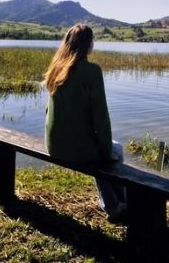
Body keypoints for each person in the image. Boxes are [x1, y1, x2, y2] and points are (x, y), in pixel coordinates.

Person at [44, 23, 127, 222]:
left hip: (53, 146)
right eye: (92, 40)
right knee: (116, 151)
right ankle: (117, 205)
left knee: (101, 152)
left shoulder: (57, 69)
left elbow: (49, 110)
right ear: (88, 44)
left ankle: (112, 202)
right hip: (77, 151)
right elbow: (101, 119)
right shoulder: (92, 71)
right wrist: (107, 149)